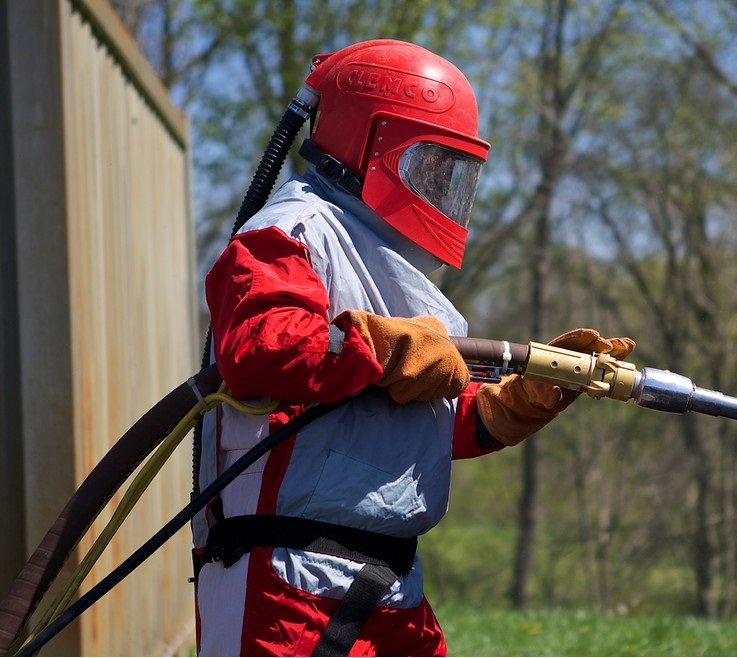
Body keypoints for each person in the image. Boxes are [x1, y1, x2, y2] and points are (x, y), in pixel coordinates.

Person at [191, 39, 634, 656]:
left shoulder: (386, 266)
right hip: (285, 584)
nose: (438, 185)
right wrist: (387, 347)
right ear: (369, 143)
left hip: (389, 587)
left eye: (452, 171)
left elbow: (411, 423)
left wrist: (513, 404)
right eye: (427, 162)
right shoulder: (291, 230)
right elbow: (261, 352)